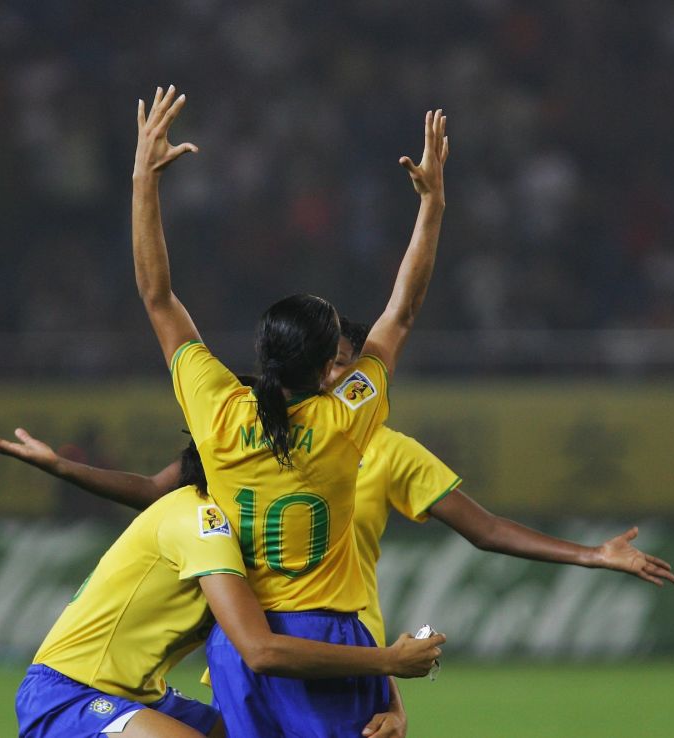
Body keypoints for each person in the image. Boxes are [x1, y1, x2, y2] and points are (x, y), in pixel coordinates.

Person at [0, 323, 674, 738]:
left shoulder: (385, 452)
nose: (343, 375)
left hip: (324, 650)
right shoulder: (238, 470)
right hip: (255, 652)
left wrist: (593, 554)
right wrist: (62, 470)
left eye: (351, 363)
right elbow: (162, 494)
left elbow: (467, 537)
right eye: (332, 364)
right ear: (309, 377)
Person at [129, 84, 448, 738]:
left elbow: (158, 297)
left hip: (241, 647)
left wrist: (143, 180)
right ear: (321, 365)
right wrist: (433, 205)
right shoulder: (345, 419)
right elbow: (401, 312)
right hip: (328, 640)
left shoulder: (215, 407)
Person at [0, 435, 445, 738]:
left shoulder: (252, 537)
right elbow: (262, 650)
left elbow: (335, 615)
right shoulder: (201, 520)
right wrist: (389, 660)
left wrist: (392, 700)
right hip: (68, 695)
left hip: (140, 695)